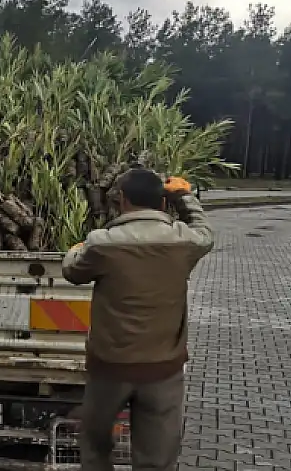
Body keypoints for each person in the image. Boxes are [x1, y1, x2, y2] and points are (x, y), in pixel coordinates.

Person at [62, 169, 213, 471]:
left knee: (94, 446)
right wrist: (184, 197)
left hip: (109, 370)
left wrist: (74, 250)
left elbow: (73, 272)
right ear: (161, 202)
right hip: (163, 372)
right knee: (157, 459)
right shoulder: (185, 241)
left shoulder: (103, 244)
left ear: (122, 199)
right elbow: (205, 231)